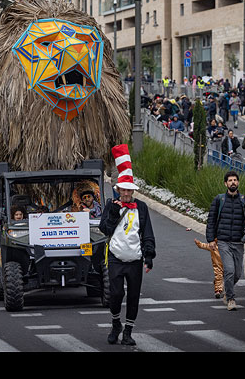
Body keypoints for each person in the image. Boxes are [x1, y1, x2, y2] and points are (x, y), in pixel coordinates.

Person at [99, 144, 156, 346]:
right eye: (123, 189)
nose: (125, 193)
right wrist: (113, 215)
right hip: (115, 257)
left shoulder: (141, 207)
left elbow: (147, 232)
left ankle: (128, 331)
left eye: (129, 190)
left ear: (132, 191)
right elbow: (103, 229)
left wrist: (149, 256)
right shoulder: (110, 205)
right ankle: (116, 324)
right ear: (118, 189)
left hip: (135, 258)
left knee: (133, 296)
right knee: (115, 294)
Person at [206, 171, 245, 311]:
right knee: (230, 270)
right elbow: (211, 221)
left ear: (238, 183)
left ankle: (227, 291)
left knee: (237, 273)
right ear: (225, 183)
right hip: (223, 241)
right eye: (230, 180)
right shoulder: (219, 200)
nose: (233, 182)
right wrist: (210, 239)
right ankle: (231, 299)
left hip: (238, 243)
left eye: (235, 180)